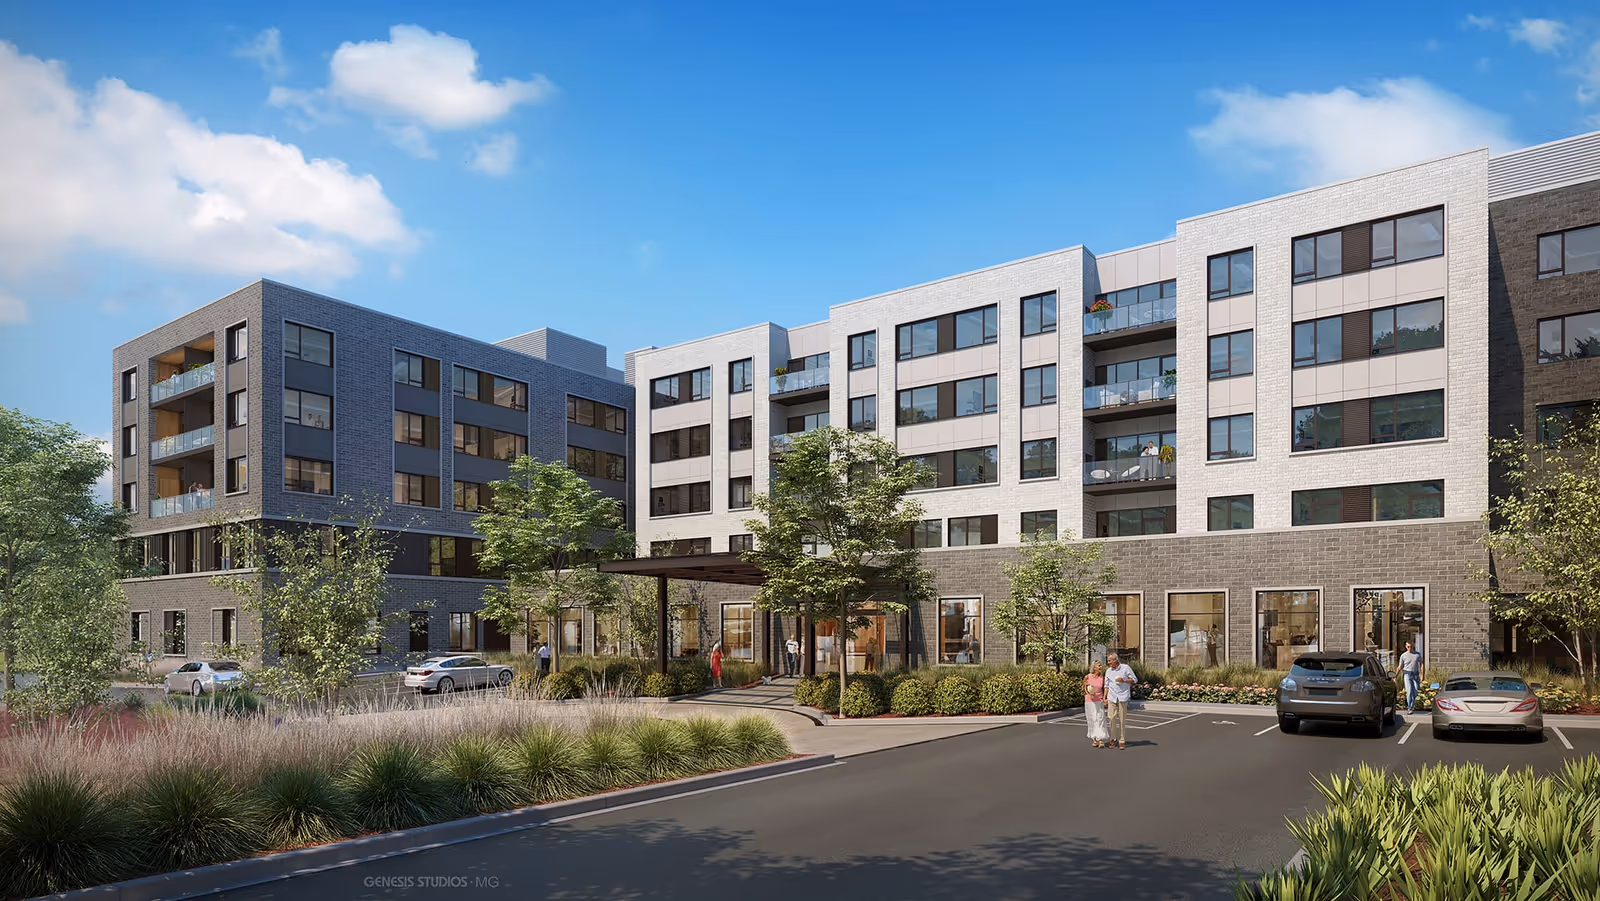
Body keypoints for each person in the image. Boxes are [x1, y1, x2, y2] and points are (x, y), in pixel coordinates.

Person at [1104, 652, 1137, 750]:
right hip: (1111, 697)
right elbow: (1106, 685)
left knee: (1122, 719)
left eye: (1109, 660)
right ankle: (1113, 738)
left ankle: (1122, 739)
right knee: (1111, 718)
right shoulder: (1108, 671)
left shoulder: (1125, 668)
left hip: (1122, 697)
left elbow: (1135, 680)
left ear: (1115, 660)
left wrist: (1124, 680)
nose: (1108, 662)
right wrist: (1105, 697)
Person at [1084, 661, 1110, 748]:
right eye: (1099, 665)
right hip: (1089, 701)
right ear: (1094, 667)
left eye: (1101, 665)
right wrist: (1089, 693)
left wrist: (1105, 698)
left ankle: (1101, 739)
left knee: (1100, 719)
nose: (1101, 667)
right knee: (1092, 719)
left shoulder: (1102, 678)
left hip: (1099, 701)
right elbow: (1083, 688)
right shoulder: (1088, 677)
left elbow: (1105, 688)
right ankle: (1094, 739)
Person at [1397, 641, 1422, 712]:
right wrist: (1395, 676)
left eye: (1411, 647)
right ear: (1406, 646)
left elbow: (1421, 663)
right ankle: (1410, 707)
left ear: (1413, 646)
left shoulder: (1417, 654)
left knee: (1416, 690)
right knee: (1409, 690)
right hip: (1407, 674)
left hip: (1415, 674)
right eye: (1408, 647)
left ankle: (1412, 704)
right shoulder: (1403, 655)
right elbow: (1400, 666)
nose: (1409, 648)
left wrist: (1422, 674)